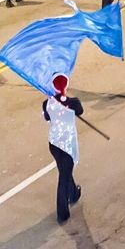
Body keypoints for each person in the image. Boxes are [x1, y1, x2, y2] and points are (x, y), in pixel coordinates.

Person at [43, 73, 83, 224]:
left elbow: (47, 117)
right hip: (67, 144)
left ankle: (73, 194)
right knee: (64, 176)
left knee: (65, 170)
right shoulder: (74, 102)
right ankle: (62, 213)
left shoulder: (46, 103)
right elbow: (80, 111)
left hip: (54, 143)